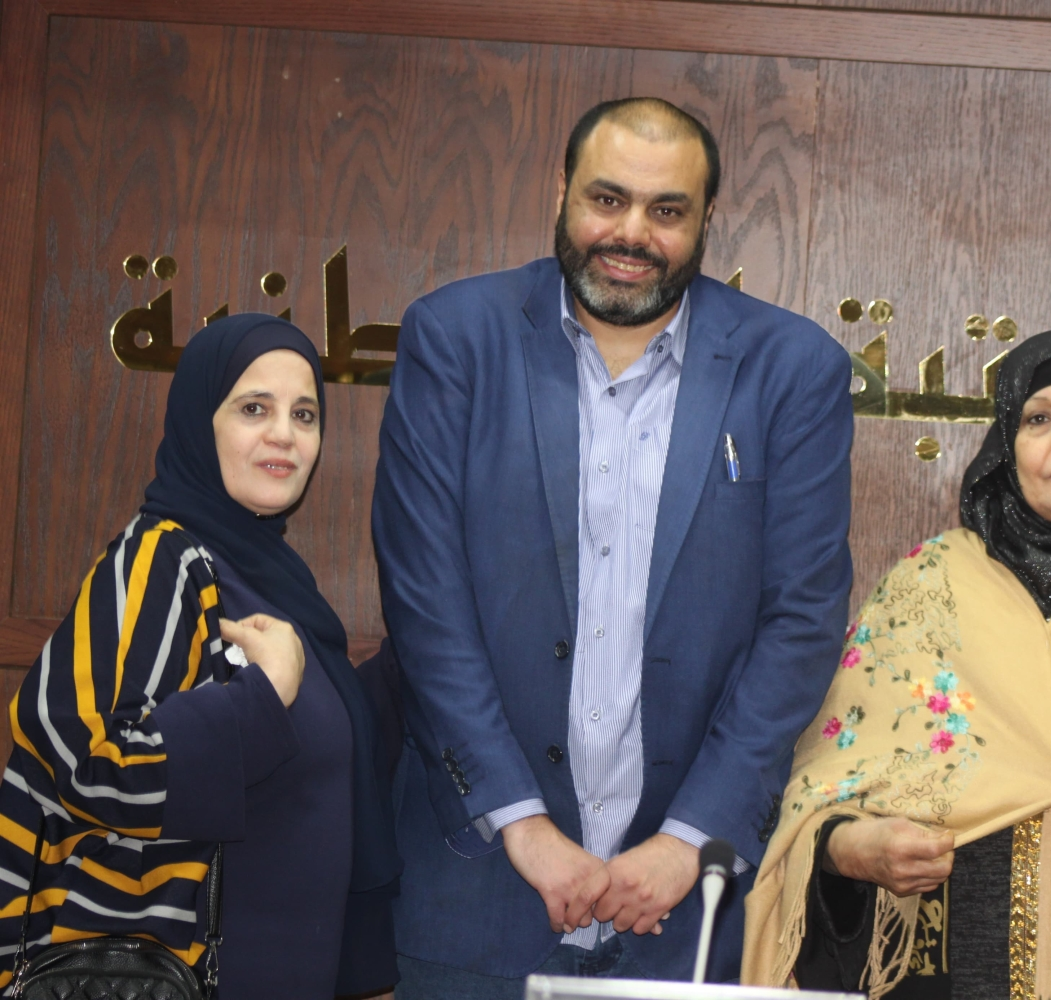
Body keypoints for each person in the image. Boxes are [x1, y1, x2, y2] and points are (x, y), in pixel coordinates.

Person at [372, 96, 853, 995]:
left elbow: (801, 621)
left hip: (689, 912)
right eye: (607, 199)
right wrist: (520, 821)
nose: (632, 233)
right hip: (479, 893)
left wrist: (689, 838)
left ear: (707, 220)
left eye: (667, 210)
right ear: (560, 192)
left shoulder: (793, 369)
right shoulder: (456, 339)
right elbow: (424, 597)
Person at [743, 328, 1051, 1000]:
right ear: (1007, 444)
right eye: (1038, 419)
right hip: (943, 975)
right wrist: (856, 850)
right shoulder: (930, 587)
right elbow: (816, 794)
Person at [0, 314, 401, 998]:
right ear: (199, 421)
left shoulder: (275, 585)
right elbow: (86, 759)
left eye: (304, 414)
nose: (285, 434)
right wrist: (261, 698)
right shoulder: (163, 559)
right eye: (254, 408)